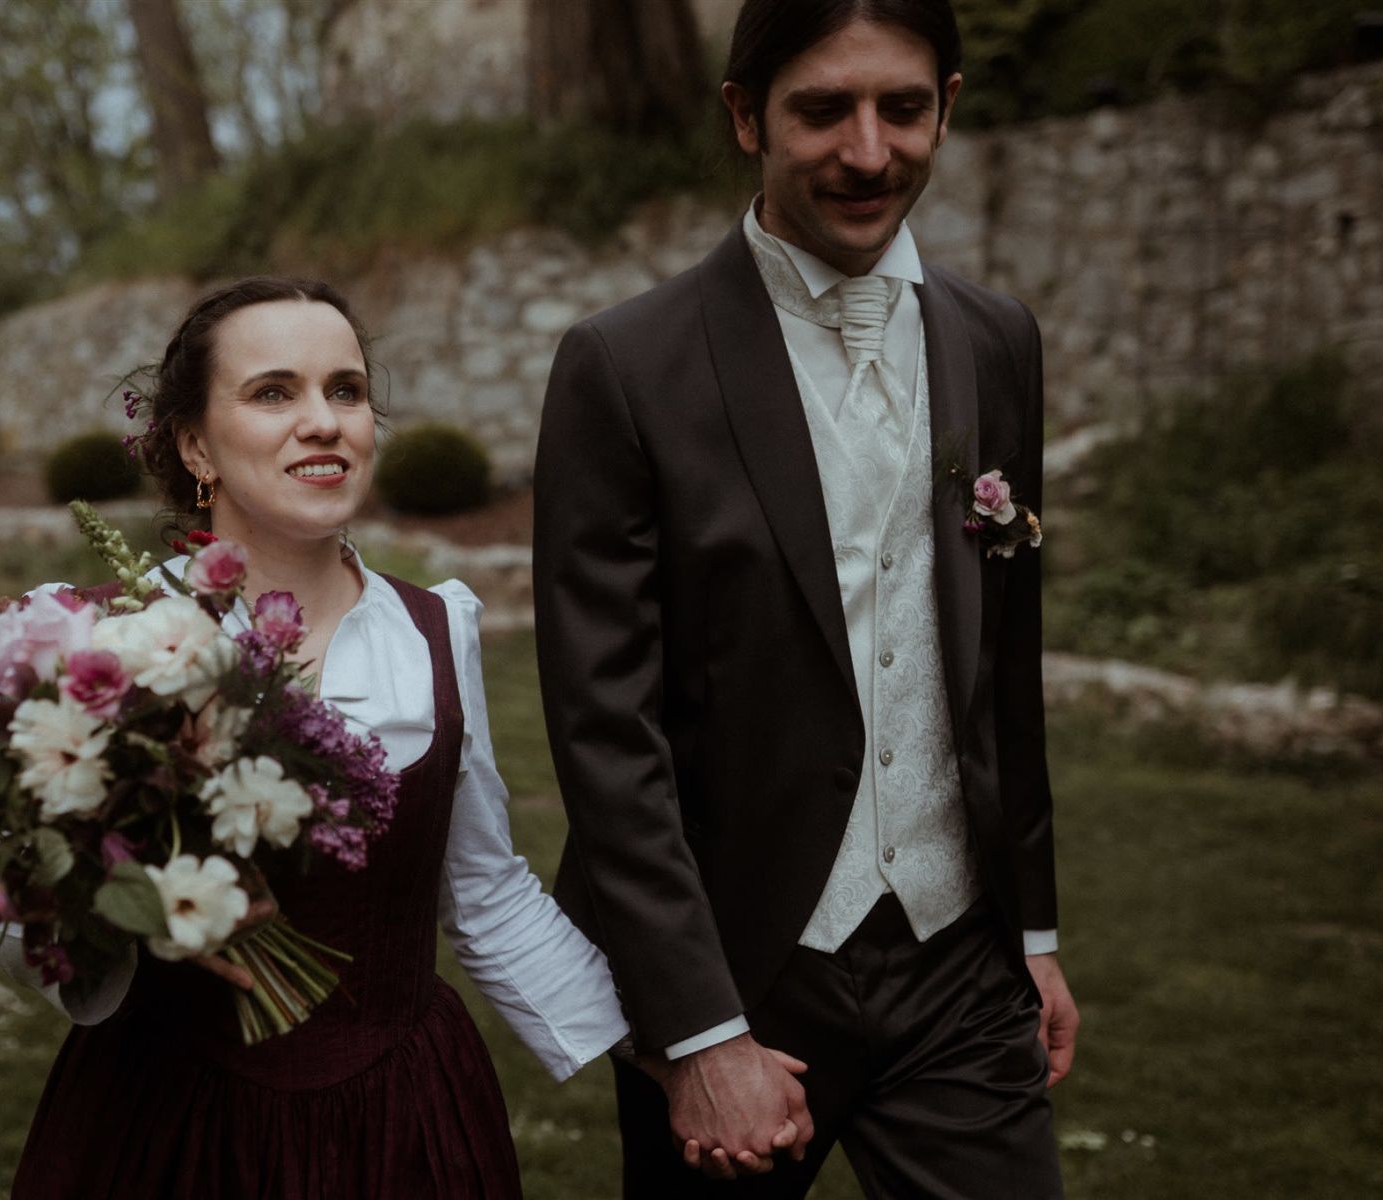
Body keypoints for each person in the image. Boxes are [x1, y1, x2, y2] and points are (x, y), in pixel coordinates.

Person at [532, 1, 1078, 1195]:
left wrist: (1029, 932)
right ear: (745, 116)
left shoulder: (998, 342)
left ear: (951, 108)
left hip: (959, 960)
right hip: (740, 972)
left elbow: (1005, 666)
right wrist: (695, 1030)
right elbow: (603, 735)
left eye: (905, 108)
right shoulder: (623, 367)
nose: (870, 152)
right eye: (824, 109)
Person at [1, 277, 630, 1198]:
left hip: (402, 1126)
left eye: (346, 390)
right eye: (273, 392)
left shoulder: (436, 630)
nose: (325, 420)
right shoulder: (95, 646)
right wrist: (115, 906)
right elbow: (8, 920)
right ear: (194, 444)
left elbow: (486, 892)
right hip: (168, 1129)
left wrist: (679, 1048)